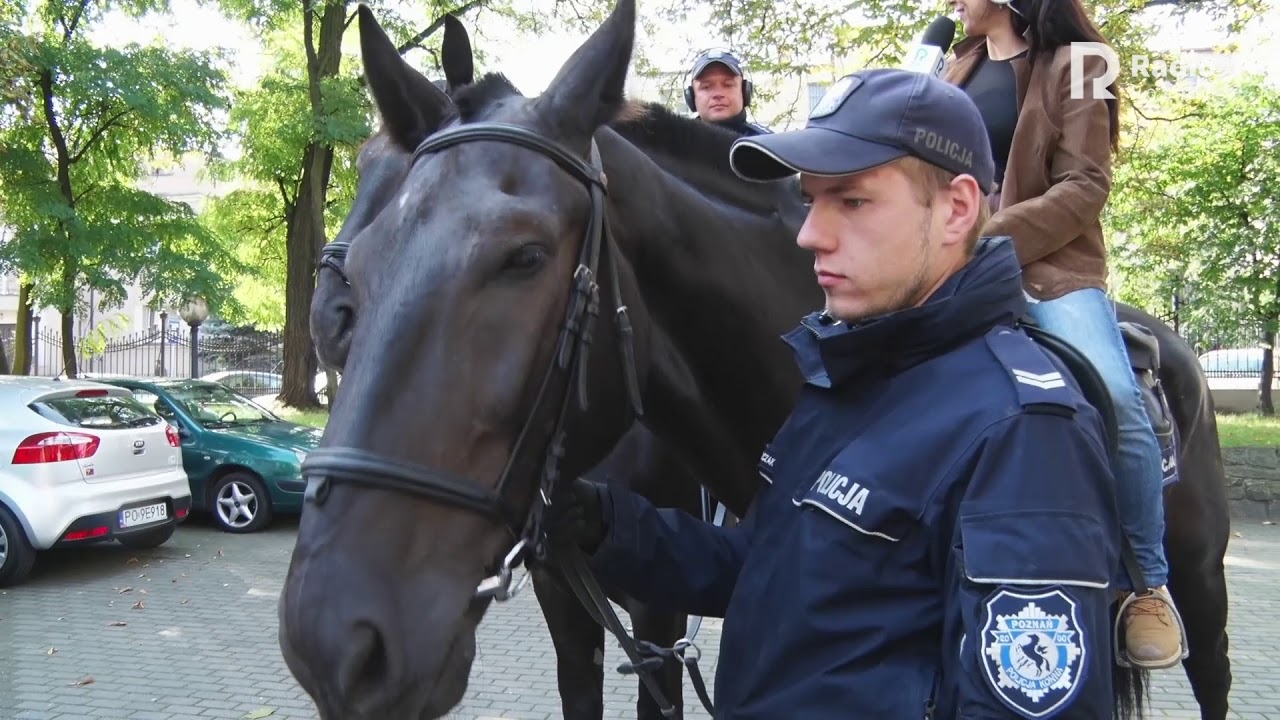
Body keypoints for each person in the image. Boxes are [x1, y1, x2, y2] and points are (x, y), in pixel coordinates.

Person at [546, 68, 1125, 719]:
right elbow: (765, 566)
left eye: (851, 201)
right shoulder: (838, 379)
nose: (809, 234)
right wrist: (604, 522)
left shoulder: (1021, 431)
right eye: (810, 200)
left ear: (957, 210)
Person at [944, 0, 1187, 670]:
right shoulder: (952, 68)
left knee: (1116, 397)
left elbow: (1085, 184)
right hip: (944, 267)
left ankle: (1146, 585)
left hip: (1047, 270)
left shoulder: (1083, 64)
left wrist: (983, 239)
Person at [685, 49, 772, 136]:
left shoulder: (766, 141)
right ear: (692, 97)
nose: (718, 94)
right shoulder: (679, 142)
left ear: (744, 91)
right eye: (706, 87)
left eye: (728, 85)